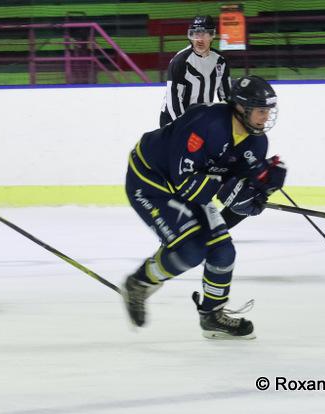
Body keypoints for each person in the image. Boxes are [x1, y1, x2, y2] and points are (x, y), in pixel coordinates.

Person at [123, 75, 285, 339]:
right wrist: (229, 190)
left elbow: (229, 207)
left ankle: (212, 316)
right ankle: (139, 283)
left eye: (268, 111)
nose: (265, 117)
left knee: (223, 250)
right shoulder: (205, 124)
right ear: (241, 108)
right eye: (260, 111)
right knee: (190, 250)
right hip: (152, 180)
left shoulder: (257, 142)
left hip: (191, 187)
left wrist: (258, 192)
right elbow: (184, 181)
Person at [159, 15, 232, 127]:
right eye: (196, 34)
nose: (200, 39)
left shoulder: (220, 61)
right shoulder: (180, 61)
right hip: (173, 120)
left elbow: (227, 96)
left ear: (212, 35)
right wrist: (183, 127)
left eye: (204, 34)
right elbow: (173, 100)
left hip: (202, 119)